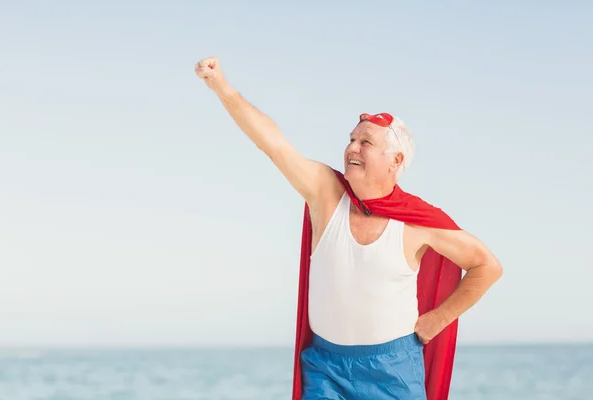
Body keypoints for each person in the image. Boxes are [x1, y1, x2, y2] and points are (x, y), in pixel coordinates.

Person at [195, 56, 503, 400]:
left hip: (393, 370)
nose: (351, 148)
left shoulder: (417, 221)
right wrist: (221, 87)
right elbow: (274, 144)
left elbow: (487, 266)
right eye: (351, 139)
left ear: (396, 160)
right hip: (326, 370)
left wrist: (440, 318)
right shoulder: (327, 193)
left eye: (365, 142)